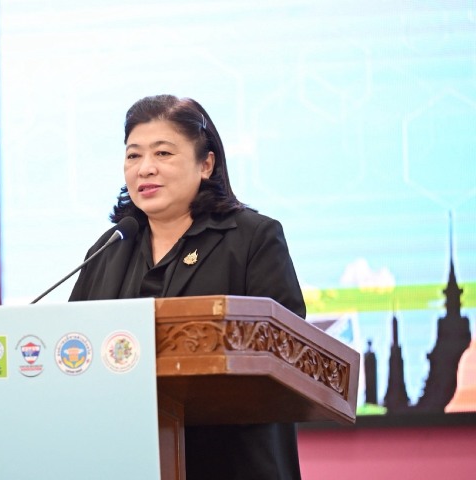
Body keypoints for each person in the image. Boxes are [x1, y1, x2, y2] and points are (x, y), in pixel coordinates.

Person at [69, 94, 306, 480]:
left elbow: (286, 353)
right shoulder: (109, 249)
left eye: (163, 153)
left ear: (206, 164)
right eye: (133, 155)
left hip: (233, 462)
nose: (145, 168)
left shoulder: (252, 238)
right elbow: (72, 349)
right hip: (125, 460)